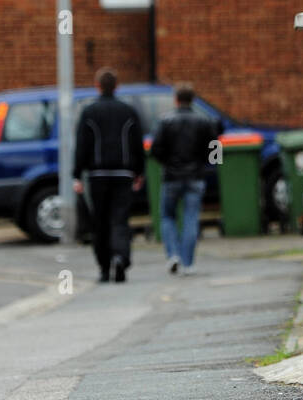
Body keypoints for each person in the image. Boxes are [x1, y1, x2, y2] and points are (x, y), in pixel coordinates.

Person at [72, 68, 145, 283]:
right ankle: (121, 257)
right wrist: (138, 172)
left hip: (97, 175)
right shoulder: (128, 111)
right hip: (123, 174)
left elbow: (82, 145)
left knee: (100, 221)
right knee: (120, 219)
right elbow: (137, 144)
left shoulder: (89, 112)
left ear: (97, 86)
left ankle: (104, 268)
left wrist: (77, 174)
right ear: (117, 86)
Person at [149, 83, 222, 274]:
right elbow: (215, 149)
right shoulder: (203, 121)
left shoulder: (165, 121)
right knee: (191, 218)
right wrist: (207, 164)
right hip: (195, 176)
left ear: (176, 100)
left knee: (167, 216)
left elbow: (155, 149)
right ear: (192, 100)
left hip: (171, 177)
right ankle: (188, 263)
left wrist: (167, 163)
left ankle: (173, 254)